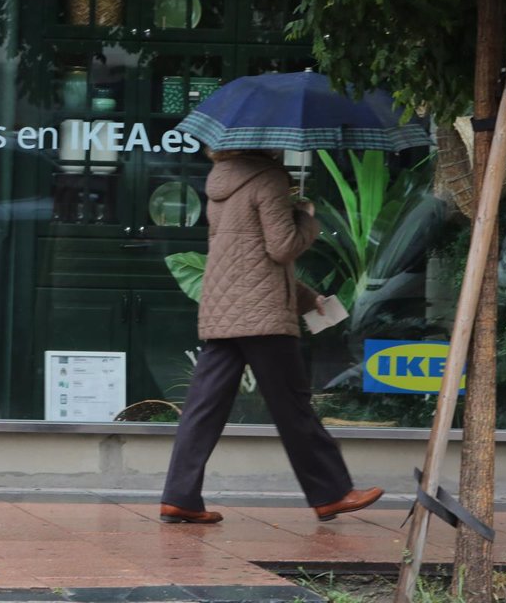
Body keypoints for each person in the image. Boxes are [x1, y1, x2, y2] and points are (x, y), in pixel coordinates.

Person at [160, 148, 383, 524]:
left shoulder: (220, 185)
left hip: (225, 310)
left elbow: (244, 261)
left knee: (203, 408)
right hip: (261, 319)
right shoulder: (268, 179)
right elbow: (282, 248)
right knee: (293, 406)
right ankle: (331, 493)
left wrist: (308, 299)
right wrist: (306, 218)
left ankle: (179, 497)